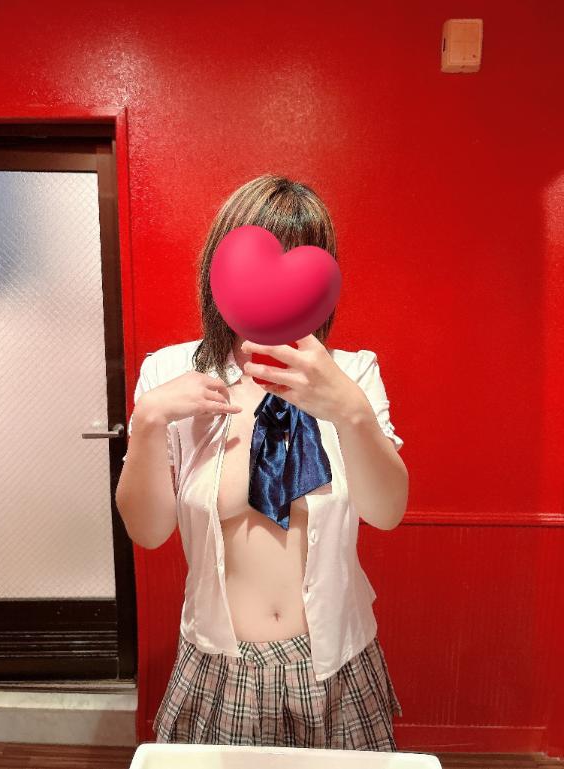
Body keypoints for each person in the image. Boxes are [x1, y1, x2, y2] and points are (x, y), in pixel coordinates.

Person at [116, 174, 408, 751]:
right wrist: (148, 420)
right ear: (218, 271)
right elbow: (147, 531)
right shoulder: (170, 373)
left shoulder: (352, 374)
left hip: (335, 665)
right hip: (219, 668)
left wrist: (349, 410)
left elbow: (388, 512)